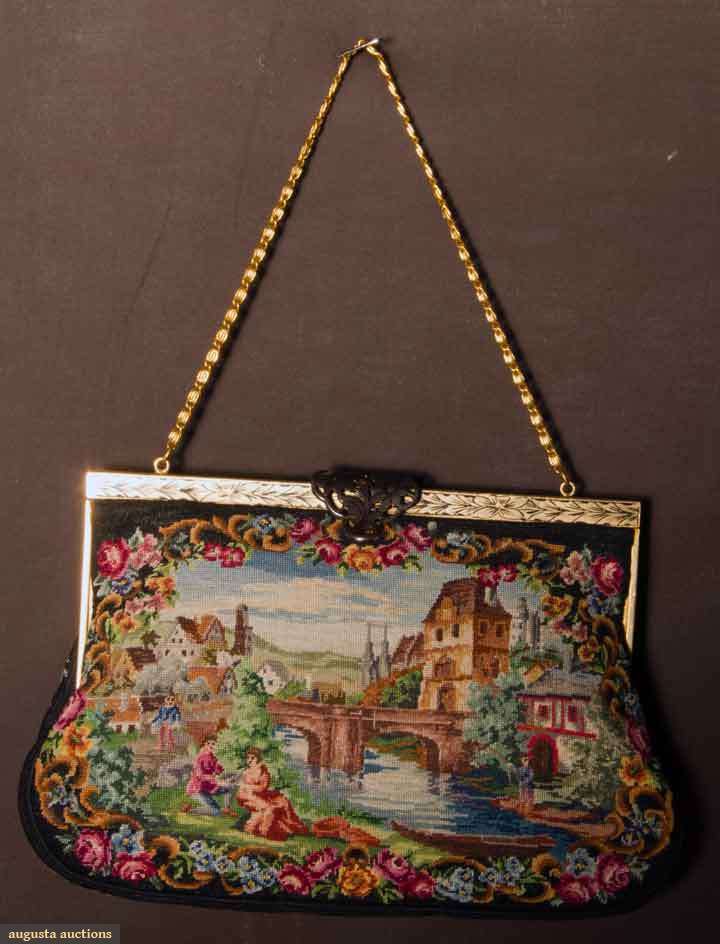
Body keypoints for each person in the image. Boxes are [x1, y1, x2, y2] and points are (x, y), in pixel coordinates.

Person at [235, 747, 308, 840]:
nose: (249, 760)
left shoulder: (263, 771)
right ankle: (262, 829)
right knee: (268, 808)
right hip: (246, 796)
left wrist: (249, 787)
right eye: (248, 758)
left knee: (280, 803)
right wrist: (247, 788)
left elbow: (262, 787)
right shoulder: (246, 772)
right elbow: (242, 788)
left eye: (252, 758)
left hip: (257, 795)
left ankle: (263, 829)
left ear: (258, 759)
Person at [186, 734, 233, 816]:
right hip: (198, 789)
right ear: (204, 744)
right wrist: (217, 781)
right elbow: (200, 776)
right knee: (216, 812)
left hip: (209, 787)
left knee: (229, 788)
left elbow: (218, 771)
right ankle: (190, 810)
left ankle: (227, 808)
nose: (211, 746)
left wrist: (223, 776)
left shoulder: (214, 757)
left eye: (213, 744)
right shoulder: (200, 757)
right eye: (208, 743)